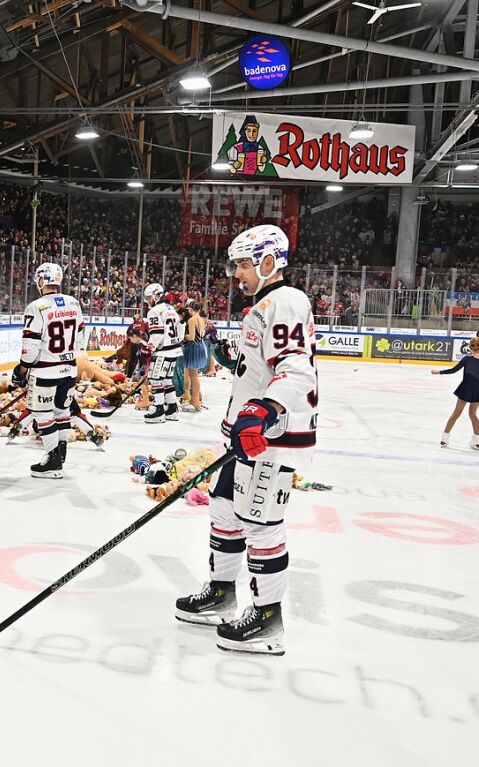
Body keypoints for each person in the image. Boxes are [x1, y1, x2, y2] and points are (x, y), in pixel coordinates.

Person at [175, 224, 317, 656]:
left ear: (268, 262)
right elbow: (257, 369)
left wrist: (262, 410)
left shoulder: (286, 301)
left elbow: (295, 367)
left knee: (261, 524)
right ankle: (222, 592)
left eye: (242, 263)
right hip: (245, 437)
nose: (236, 273)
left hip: (269, 439)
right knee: (223, 507)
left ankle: (268, 618)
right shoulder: (263, 305)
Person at [14, 261, 83, 479]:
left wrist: (22, 369)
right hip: (69, 369)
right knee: (62, 412)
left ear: (42, 280)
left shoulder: (36, 306)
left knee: (42, 414)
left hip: (45, 371)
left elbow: (31, 345)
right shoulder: (73, 303)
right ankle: (60, 455)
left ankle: (53, 460)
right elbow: (80, 338)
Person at [143, 282, 184, 423]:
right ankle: (172, 408)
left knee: (155, 380)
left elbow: (157, 334)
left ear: (157, 295)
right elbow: (181, 330)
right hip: (174, 350)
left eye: (149, 297)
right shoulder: (171, 309)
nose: (148, 301)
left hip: (162, 352)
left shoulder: (154, 311)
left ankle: (159, 410)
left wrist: (149, 347)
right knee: (167, 380)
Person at [433, 337, 479, 449]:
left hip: (465, 389)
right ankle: (477, 441)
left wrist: (438, 372)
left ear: (470, 347)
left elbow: (453, 370)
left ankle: (444, 439)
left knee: (456, 414)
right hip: (477, 390)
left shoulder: (466, 359)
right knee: (473, 414)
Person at [182, 300, 209, 412]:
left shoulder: (192, 320)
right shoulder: (202, 320)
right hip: (201, 346)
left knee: (193, 375)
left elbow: (191, 337)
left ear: (191, 309)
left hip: (194, 348)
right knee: (195, 375)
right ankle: (195, 400)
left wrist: (182, 335)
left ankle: (195, 401)